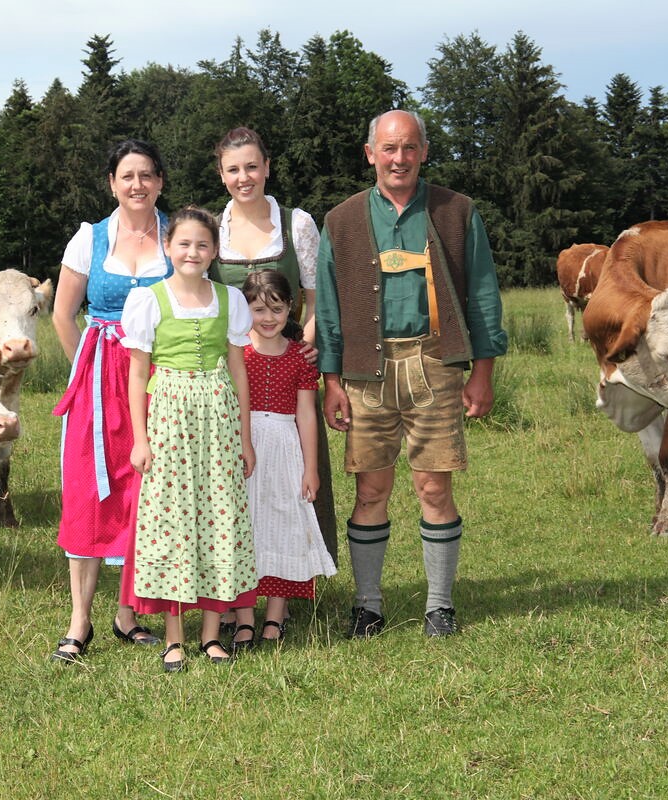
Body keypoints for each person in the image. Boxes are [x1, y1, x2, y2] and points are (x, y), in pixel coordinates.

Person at [315, 109, 508, 639]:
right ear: (370, 153)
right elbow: (328, 308)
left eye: (409, 148)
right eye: (388, 149)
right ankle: (368, 605)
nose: (398, 159)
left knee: (433, 487)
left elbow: (484, 294)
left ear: (423, 152)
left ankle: (439, 606)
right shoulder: (342, 220)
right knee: (370, 489)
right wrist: (332, 380)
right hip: (366, 371)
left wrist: (482, 370)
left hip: (436, 363)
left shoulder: (457, 211)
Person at [210, 126, 340, 650]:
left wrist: (302, 344)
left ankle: (285, 588)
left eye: (252, 166)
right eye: (232, 168)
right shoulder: (210, 228)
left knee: (288, 492)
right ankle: (227, 597)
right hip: (225, 372)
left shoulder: (297, 223)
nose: (243, 177)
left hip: (286, 373)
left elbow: (315, 294)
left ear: (267, 167)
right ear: (221, 173)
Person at [49, 139, 171, 663]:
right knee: (88, 491)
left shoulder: (179, 235)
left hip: (161, 377)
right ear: (112, 184)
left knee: (145, 492)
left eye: (146, 175)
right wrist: (89, 368)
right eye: (127, 176)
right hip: (100, 376)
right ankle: (80, 621)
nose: (137, 185)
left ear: (160, 182)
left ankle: (129, 613)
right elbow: (62, 314)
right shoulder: (89, 239)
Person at [121, 206, 257, 672]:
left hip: (218, 415)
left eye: (202, 245)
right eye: (183, 243)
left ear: (215, 250)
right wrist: (140, 439)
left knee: (220, 516)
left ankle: (211, 634)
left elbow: (238, 368)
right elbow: (138, 373)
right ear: (167, 246)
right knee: (173, 523)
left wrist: (245, 437)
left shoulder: (230, 299)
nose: (192, 252)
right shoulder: (148, 299)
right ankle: (174, 638)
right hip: (169, 416)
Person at [232, 270, 336, 651]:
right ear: (244, 310)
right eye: (258, 309)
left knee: (283, 524)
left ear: (291, 308)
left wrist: (311, 467)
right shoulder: (237, 353)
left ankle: (275, 616)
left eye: (276, 308)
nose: (268, 317)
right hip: (244, 448)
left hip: (285, 449)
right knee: (244, 526)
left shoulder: (300, 358)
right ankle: (244, 616)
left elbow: (306, 414)